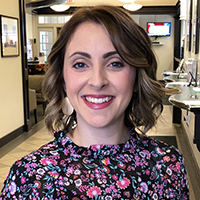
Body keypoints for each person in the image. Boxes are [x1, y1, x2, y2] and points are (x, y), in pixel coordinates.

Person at [0, 5, 189, 199]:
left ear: (136, 77)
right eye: (80, 64)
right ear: (62, 79)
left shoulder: (168, 166)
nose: (97, 81)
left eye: (115, 63)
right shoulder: (27, 179)